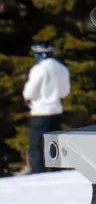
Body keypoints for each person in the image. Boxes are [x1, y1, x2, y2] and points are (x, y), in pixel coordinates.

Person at [22, 41, 69, 174]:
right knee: (54, 145)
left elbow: (29, 91)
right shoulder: (61, 68)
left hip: (40, 111)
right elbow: (64, 92)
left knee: (37, 147)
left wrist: (27, 98)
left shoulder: (39, 69)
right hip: (56, 110)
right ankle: (57, 171)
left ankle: (39, 173)